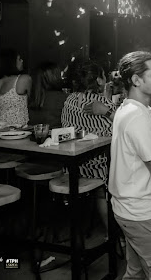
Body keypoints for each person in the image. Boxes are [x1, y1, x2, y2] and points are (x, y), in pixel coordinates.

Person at [109, 51, 151, 279]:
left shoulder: (129, 108)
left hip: (128, 208)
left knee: (135, 273)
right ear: (136, 80)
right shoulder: (137, 117)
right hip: (141, 212)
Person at [62, 59, 116, 232]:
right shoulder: (103, 104)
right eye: (104, 76)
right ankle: (114, 235)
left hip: (73, 166)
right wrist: (108, 108)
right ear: (99, 80)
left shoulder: (69, 100)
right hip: (99, 166)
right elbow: (121, 129)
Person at [29, 62, 66, 127]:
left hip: (35, 131)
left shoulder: (32, 97)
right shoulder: (60, 97)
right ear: (55, 76)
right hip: (56, 132)